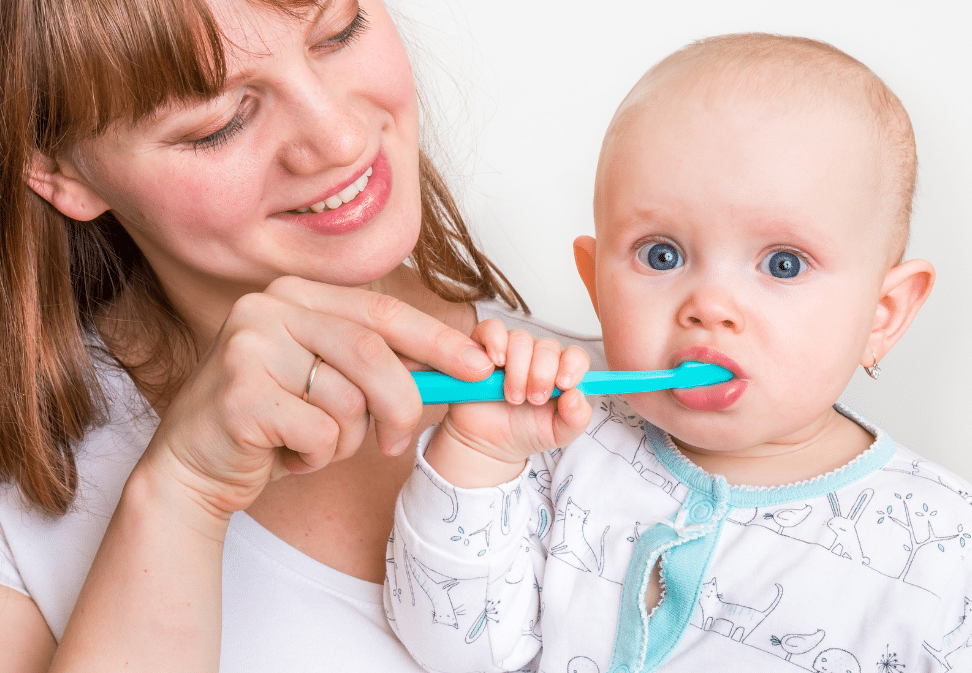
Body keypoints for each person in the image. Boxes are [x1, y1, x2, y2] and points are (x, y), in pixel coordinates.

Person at [0, 0, 603, 672]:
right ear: (59, 172)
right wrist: (179, 494)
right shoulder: (9, 508)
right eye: (219, 123)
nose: (340, 139)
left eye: (338, 27)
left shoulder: (621, 408)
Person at [385, 33, 972, 673]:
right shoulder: (559, 444)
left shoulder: (945, 552)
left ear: (882, 316)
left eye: (783, 263)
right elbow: (454, 652)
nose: (709, 305)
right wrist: (478, 455)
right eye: (661, 255)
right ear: (596, 284)